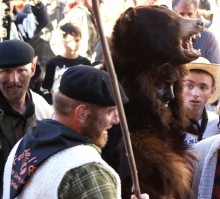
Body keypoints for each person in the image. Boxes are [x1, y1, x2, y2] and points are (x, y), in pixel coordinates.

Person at [2, 65, 148, 199]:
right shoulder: (89, 172)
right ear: (82, 113)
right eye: (110, 111)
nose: (116, 120)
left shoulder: (26, 143)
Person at [0, 40, 53, 197]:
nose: (14, 79)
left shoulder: (43, 108)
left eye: (21, 71)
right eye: (6, 71)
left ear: (32, 68)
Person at [42, 22, 91, 104]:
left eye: (77, 40)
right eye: (69, 41)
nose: (74, 45)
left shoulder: (85, 63)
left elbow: (89, 88)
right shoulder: (53, 63)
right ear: (62, 41)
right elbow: (46, 89)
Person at [183, 57, 220, 146]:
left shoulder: (218, 125)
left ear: (212, 91)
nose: (195, 94)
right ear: (180, 87)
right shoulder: (166, 123)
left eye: (203, 87)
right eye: (189, 86)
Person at [172, 0, 220, 64]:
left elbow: (217, 70)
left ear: (196, 15)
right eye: (181, 14)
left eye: (190, 14)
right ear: (173, 15)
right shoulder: (167, 38)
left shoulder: (207, 38)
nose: (186, 18)